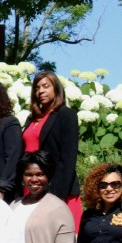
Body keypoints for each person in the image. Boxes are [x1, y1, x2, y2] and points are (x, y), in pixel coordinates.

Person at [8, 152, 76, 243]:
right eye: (28, 174)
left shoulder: (58, 208)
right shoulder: (14, 206)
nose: (34, 179)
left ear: (49, 177)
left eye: (40, 174)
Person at [22, 71, 81, 223]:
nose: (40, 91)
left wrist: (58, 195)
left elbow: (69, 158)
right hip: (30, 185)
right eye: (37, 87)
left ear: (56, 89)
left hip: (58, 189)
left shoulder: (66, 114)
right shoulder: (32, 118)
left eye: (46, 86)